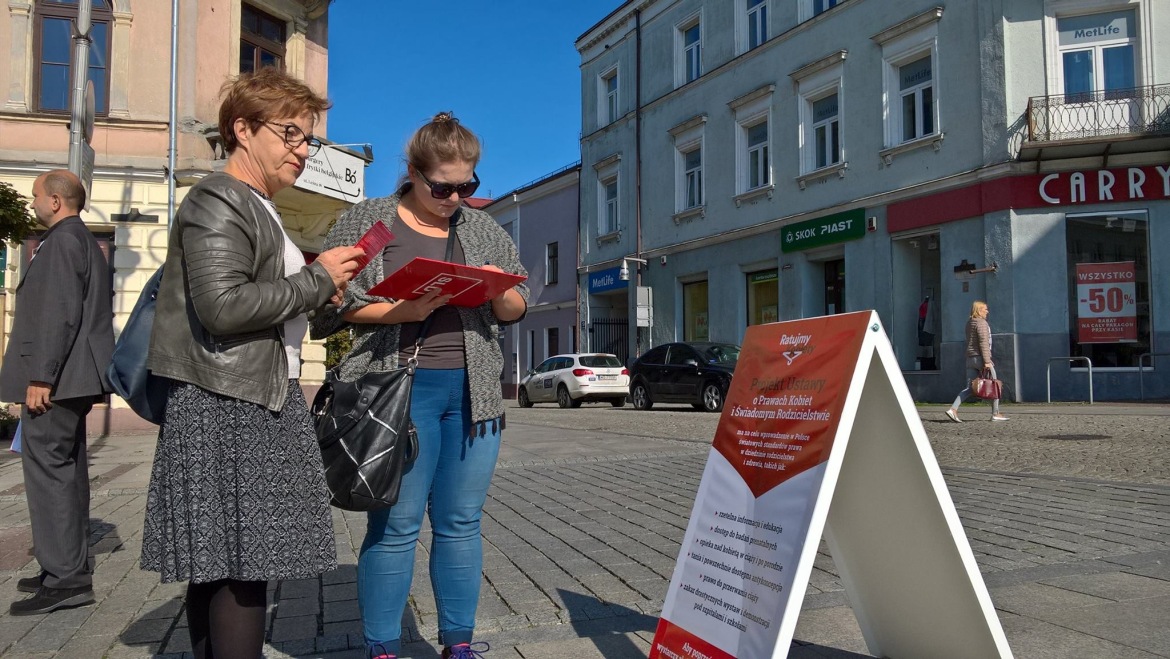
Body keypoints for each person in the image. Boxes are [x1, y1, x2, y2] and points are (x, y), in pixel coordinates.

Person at [139, 68, 365, 658]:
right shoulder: (219, 196)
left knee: (221, 565)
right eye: (291, 134)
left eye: (309, 138)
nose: (303, 151)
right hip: (229, 401)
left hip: (242, 393)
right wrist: (314, 281)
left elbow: (259, 301)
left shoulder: (259, 205)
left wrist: (320, 292)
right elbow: (222, 305)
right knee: (241, 569)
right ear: (242, 129)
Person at [313, 112, 529, 659]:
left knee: (461, 523)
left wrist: (498, 290)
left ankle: (458, 643)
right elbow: (330, 308)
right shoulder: (374, 221)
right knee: (397, 525)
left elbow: (516, 307)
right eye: (443, 186)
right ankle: (382, 647)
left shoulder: (480, 227)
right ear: (412, 171)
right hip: (395, 392)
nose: (455, 197)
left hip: (473, 395)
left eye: (468, 186)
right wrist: (402, 310)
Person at [1, 169, 114, 615]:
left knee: (49, 473)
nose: (31, 203)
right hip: (72, 378)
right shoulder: (81, 239)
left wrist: (41, 376)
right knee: (65, 471)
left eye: (35, 197)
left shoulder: (64, 241)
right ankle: (65, 566)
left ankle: (65, 578)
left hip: (57, 380)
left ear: (55, 201)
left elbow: (58, 313)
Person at [946, 300, 1008, 422]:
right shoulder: (982, 323)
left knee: (969, 388)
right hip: (981, 358)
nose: (987, 311)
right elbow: (983, 342)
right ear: (979, 310)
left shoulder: (970, 323)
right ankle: (995, 413)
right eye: (985, 309)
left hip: (970, 359)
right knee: (994, 385)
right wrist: (987, 361)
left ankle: (953, 409)